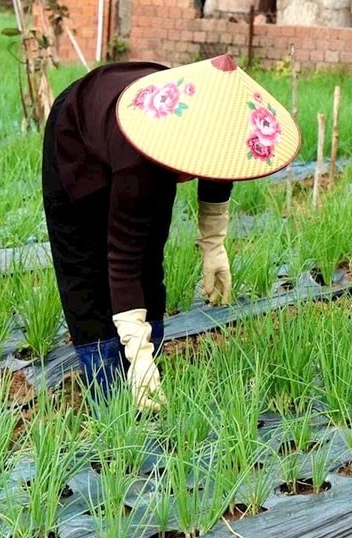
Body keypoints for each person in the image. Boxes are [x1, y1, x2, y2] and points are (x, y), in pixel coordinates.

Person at [42, 53, 299, 409]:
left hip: (136, 133)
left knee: (151, 254)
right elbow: (123, 257)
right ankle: (109, 392)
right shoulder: (139, 160)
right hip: (77, 135)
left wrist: (214, 245)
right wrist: (137, 353)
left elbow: (219, 168)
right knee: (86, 264)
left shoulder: (211, 121)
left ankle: (149, 372)